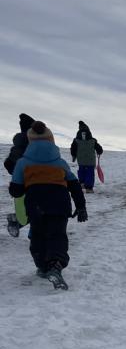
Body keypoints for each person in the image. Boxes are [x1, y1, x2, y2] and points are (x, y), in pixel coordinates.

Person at [9, 121, 87, 289]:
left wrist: (26, 184)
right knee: (57, 236)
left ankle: (43, 267)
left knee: (38, 237)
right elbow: (74, 186)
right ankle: (56, 266)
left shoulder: (23, 163)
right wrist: (81, 206)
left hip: (36, 206)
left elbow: (15, 191)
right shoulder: (60, 163)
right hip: (60, 205)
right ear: (51, 140)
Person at [4, 113, 35, 236]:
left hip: (20, 184)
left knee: (32, 211)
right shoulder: (30, 143)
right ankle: (16, 222)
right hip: (27, 183)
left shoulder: (18, 145)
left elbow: (8, 164)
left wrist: (16, 174)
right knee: (35, 211)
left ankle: (16, 221)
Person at [70, 121, 103, 193]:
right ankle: (89, 188)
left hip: (81, 160)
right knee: (89, 173)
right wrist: (99, 151)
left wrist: (74, 155)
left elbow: (73, 149)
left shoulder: (76, 141)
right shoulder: (93, 140)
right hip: (90, 160)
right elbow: (99, 148)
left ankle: (82, 182)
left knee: (81, 170)